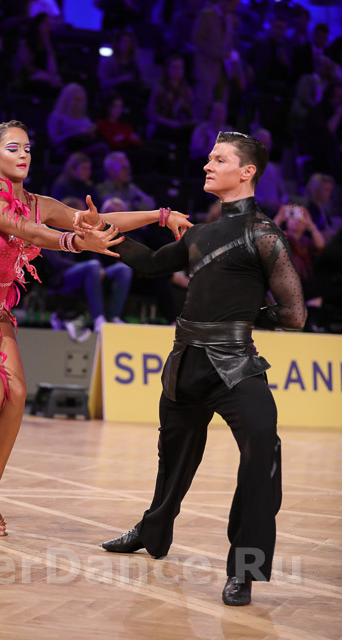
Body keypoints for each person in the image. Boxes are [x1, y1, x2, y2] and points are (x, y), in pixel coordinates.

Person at [0, 119, 191, 538]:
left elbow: (99, 220)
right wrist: (75, 242)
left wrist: (159, 215)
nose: (23, 154)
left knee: (16, 395)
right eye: (12, 148)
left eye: (27, 148)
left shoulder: (42, 203)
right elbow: (28, 231)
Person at [96, 132, 307, 606]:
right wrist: (103, 234)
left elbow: (294, 314)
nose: (208, 165)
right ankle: (153, 533)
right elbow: (150, 263)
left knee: (262, 452)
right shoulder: (199, 234)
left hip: (235, 366)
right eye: (210, 158)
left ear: (247, 171)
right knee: (171, 459)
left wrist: (244, 316)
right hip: (185, 362)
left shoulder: (264, 234)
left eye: (219, 159)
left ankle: (245, 569)